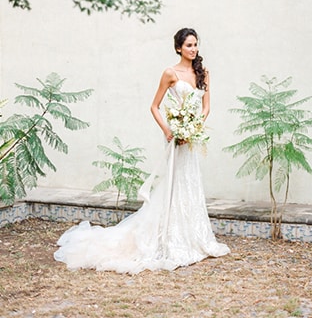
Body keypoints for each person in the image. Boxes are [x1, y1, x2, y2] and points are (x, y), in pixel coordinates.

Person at [54, 28, 230, 273]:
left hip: (191, 137)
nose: (194, 49)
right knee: (172, 183)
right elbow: (155, 107)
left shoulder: (203, 72)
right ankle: (166, 237)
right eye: (189, 45)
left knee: (189, 182)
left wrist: (193, 129)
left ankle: (192, 236)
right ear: (179, 47)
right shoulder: (170, 73)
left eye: (196, 45)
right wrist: (169, 131)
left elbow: (206, 107)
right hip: (175, 137)